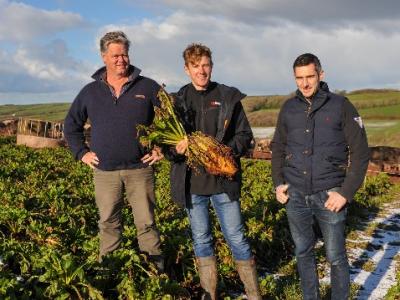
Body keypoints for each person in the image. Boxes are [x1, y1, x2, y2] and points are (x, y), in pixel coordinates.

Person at [271, 53, 370, 299]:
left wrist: (345, 193)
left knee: (335, 256)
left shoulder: (341, 105)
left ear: (321, 75)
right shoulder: (288, 108)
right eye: (299, 78)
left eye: (310, 77)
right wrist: (278, 183)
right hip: (295, 194)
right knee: (303, 252)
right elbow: (278, 148)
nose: (304, 84)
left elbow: (360, 153)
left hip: (330, 195)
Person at [168, 43, 261, 300]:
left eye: (206, 65)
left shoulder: (227, 96)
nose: (202, 70)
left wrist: (221, 152)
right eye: (196, 66)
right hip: (193, 186)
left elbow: (245, 136)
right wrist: (177, 149)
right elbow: (166, 149)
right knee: (201, 240)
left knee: (237, 237)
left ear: (212, 66)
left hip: (223, 183)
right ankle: (210, 294)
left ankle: (253, 295)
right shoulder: (177, 101)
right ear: (187, 69)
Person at [64, 31, 164, 270]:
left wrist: (161, 148)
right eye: (115, 55)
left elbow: (171, 121)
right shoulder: (90, 91)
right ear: (103, 57)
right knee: (108, 223)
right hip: (105, 171)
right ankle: (109, 274)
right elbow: (71, 125)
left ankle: (156, 276)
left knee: (147, 223)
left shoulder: (148, 87)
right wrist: (81, 152)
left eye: (125, 54)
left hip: (140, 169)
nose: (121, 60)